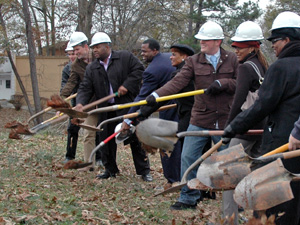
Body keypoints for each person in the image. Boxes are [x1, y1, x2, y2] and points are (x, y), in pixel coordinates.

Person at [143, 21, 238, 210]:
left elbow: (240, 83)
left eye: (206, 39)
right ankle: (189, 196)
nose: (202, 42)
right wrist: (156, 95)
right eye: (200, 39)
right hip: (200, 118)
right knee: (188, 157)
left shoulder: (233, 59)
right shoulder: (194, 61)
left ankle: (235, 201)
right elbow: (177, 82)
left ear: (218, 41)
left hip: (226, 118)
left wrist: (224, 83)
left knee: (229, 162)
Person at [222, 11, 300, 225]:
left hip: (282, 144)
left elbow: (262, 106)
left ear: (287, 40)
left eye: (275, 41)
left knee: (270, 202)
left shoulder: (280, 67)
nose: (273, 45)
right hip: (296, 143)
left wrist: (233, 127)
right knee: (295, 200)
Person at [75, 32, 151, 181]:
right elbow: (85, 88)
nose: (95, 50)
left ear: (107, 46)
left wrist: (127, 85)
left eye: (97, 47)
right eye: (93, 48)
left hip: (126, 106)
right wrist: (80, 103)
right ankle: (110, 169)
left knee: (134, 137)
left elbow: (139, 70)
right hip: (107, 108)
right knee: (106, 140)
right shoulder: (93, 68)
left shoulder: (124, 57)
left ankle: (144, 171)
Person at [221, 21, 269, 224]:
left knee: (227, 175)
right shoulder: (263, 67)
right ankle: (262, 218)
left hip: (244, 132)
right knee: (258, 176)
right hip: (262, 129)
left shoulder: (245, 68)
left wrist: (228, 129)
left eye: (239, 47)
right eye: (234, 46)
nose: (236, 50)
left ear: (251, 47)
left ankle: (229, 220)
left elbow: (238, 102)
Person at [122, 38, 182, 184]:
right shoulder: (169, 57)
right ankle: (183, 178)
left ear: (155, 51)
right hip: (183, 108)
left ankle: (172, 180)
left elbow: (142, 97)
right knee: (182, 142)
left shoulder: (151, 70)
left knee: (168, 143)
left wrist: (128, 119)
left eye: (145, 51)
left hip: (171, 109)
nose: (142, 54)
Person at [60, 31, 101, 166]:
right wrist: (61, 100)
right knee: (88, 134)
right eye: (73, 50)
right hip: (87, 103)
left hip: (104, 99)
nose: (75, 53)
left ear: (86, 47)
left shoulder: (98, 58)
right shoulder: (75, 65)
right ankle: (89, 163)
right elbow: (71, 83)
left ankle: (105, 160)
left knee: (103, 132)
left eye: (77, 49)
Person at [60, 41, 80, 163]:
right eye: (69, 54)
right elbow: (64, 87)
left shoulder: (87, 66)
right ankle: (70, 156)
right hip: (74, 101)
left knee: (93, 131)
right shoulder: (67, 70)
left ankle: (98, 157)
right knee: (72, 128)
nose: (72, 56)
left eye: (74, 53)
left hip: (90, 101)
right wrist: (62, 103)